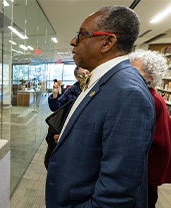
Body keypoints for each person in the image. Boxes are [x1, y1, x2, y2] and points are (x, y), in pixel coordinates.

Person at [46, 6, 155, 208]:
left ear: (107, 42)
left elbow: (117, 190)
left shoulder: (126, 92)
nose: (73, 41)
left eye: (81, 35)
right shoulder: (104, 80)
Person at [129, 50, 171, 208]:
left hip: (145, 172)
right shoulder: (148, 95)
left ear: (150, 77)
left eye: (134, 71)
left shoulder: (150, 99)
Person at [44, 66, 89, 168]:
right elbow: (57, 108)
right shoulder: (71, 91)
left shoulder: (93, 90)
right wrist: (55, 95)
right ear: (76, 77)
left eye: (87, 73)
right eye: (82, 75)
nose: (85, 76)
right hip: (68, 128)